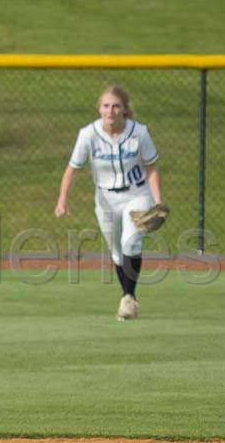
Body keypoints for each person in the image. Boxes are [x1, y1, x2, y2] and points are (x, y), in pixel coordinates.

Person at [54, 85, 162, 321]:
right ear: (99, 108)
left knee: (130, 242)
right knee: (116, 252)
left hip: (137, 194)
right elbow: (72, 169)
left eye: (116, 106)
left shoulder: (139, 133)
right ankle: (127, 296)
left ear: (124, 110)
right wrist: (63, 200)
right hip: (105, 199)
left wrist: (157, 201)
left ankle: (128, 298)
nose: (110, 111)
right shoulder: (88, 134)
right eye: (106, 106)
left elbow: (151, 167)